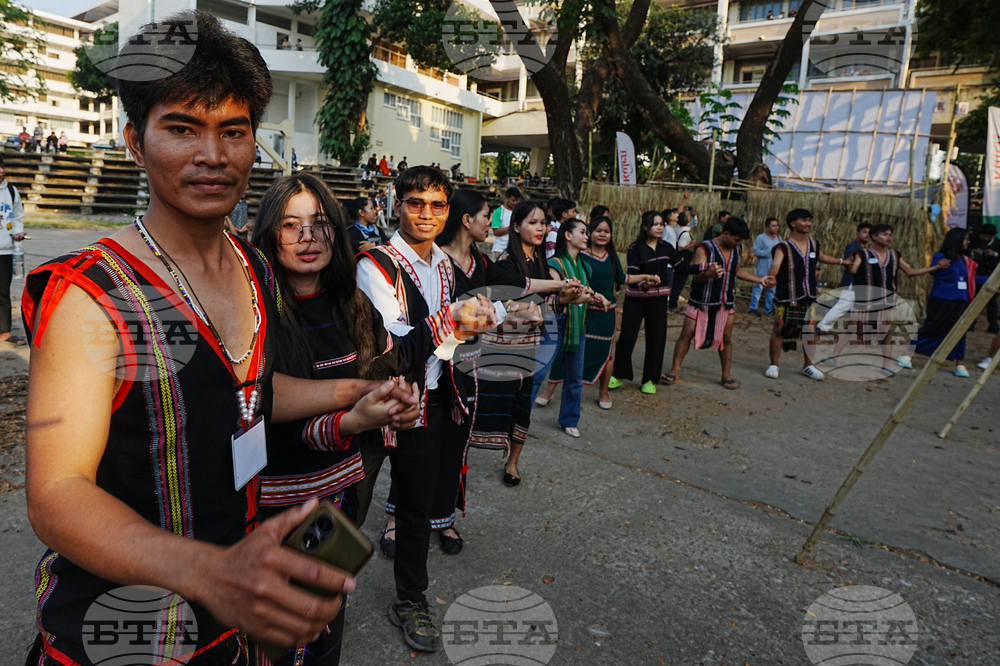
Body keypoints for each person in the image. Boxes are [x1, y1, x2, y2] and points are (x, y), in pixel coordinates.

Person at [21, 12, 424, 665]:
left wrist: (357, 391)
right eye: (182, 129)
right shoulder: (91, 294)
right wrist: (212, 573)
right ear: (134, 139)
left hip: (232, 625)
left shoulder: (253, 266)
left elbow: (250, 389)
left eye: (232, 132)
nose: (212, 155)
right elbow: (57, 494)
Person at [253, 173, 487, 663]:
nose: (308, 237)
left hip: (336, 481)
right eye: (290, 225)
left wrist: (390, 394)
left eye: (319, 224)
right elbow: (257, 406)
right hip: (275, 500)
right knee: (274, 629)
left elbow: (388, 361)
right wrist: (356, 408)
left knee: (322, 620)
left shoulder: (348, 302)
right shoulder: (253, 310)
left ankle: (408, 597)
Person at [355, 166, 496, 652]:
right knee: (348, 506)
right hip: (376, 408)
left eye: (437, 205)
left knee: (415, 509)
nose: (426, 214)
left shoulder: (443, 265)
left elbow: (437, 346)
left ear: (448, 210)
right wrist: (457, 319)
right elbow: (394, 349)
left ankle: (410, 598)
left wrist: (466, 326)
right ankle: (316, 598)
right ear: (397, 204)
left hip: (430, 401)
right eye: (415, 202)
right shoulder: (374, 264)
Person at [493, 202, 583, 480]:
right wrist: (556, 292)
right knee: (510, 399)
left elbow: (552, 306)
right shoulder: (506, 262)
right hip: (513, 343)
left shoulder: (542, 261)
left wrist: (572, 295)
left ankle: (513, 462)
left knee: (525, 401)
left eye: (543, 222)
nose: (540, 228)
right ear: (516, 226)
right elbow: (508, 305)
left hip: (542, 336)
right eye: (533, 222)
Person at [537, 215, 657, 411]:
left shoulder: (611, 256)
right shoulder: (579, 257)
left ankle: (603, 391)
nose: (602, 234)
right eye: (597, 230)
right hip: (580, 311)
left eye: (607, 231)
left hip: (605, 313)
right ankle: (549, 390)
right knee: (565, 350)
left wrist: (645, 278)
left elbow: (622, 277)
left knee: (605, 354)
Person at [663, 217, 775, 389]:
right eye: (736, 239)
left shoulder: (736, 248)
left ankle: (726, 375)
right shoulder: (705, 248)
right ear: (726, 233)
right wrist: (708, 274)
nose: (738, 243)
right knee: (687, 333)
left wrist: (759, 279)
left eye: (740, 241)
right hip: (701, 300)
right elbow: (698, 275)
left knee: (726, 337)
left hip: (725, 301)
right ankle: (674, 370)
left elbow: (736, 271)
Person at [610, 210, 711, 395]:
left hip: (658, 300)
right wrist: (644, 283)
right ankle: (618, 374)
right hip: (636, 300)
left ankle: (649, 379)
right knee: (627, 337)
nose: (659, 227)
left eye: (661, 224)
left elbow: (683, 267)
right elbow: (632, 273)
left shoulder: (667, 248)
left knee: (656, 340)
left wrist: (706, 267)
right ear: (645, 227)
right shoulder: (635, 248)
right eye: (655, 224)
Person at [843, 224, 948, 375]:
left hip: (885, 299)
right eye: (885, 234)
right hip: (864, 297)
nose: (889, 237)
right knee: (852, 325)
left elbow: (910, 272)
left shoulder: (894, 255)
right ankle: (836, 357)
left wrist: (935, 268)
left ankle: (886, 364)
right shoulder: (862, 253)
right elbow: (853, 270)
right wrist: (847, 265)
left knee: (885, 330)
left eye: (890, 235)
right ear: (874, 237)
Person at [539, 219, 610, 437]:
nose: (587, 236)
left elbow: (585, 290)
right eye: (583, 232)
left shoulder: (585, 265)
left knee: (574, 378)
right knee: (537, 374)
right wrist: (588, 296)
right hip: (556, 322)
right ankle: (517, 419)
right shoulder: (555, 264)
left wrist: (596, 298)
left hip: (578, 323)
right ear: (568, 236)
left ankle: (569, 419)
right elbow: (558, 296)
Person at [765, 208, 851, 380]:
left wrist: (842, 262)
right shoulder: (783, 246)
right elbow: (775, 264)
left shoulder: (813, 243)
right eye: (804, 220)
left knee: (809, 331)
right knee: (779, 329)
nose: (808, 223)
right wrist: (772, 276)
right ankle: (774, 365)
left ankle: (808, 365)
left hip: (809, 296)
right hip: (786, 296)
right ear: (793, 223)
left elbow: (822, 257)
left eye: (810, 220)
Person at [898, 228, 984, 377]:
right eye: (965, 239)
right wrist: (939, 265)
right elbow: (933, 272)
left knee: (959, 331)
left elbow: (972, 279)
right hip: (942, 298)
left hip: (961, 300)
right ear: (957, 240)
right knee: (932, 327)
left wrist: (990, 281)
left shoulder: (966, 261)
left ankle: (960, 363)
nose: (968, 242)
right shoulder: (941, 256)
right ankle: (907, 353)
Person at [815, 221, 872, 331]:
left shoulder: (863, 247)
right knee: (842, 306)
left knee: (849, 306)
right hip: (851, 280)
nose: (867, 235)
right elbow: (849, 262)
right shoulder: (854, 246)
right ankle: (822, 327)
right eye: (864, 232)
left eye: (869, 233)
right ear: (857, 233)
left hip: (857, 281)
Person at [0, 155, 25, 345]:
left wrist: (17, 231)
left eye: (2, 166)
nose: (1, 171)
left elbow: (17, 216)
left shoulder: (11, 190)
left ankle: (5, 331)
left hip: (5, 251)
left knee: (3, 292)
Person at [749, 217, 781, 317]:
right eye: (773, 226)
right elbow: (756, 251)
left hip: (774, 268)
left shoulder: (779, 238)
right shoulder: (761, 238)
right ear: (767, 227)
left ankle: (768, 309)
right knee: (759, 287)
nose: (776, 228)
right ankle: (753, 308)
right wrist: (770, 252)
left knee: (772, 288)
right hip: (763, 267)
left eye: (777, 225)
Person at [970, 223, 999, 333]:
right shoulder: (974, 241)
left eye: (988, 236)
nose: (986, 238)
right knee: (974, 301)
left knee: (992, 303)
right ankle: (971, 324)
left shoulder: (997, 243)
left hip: (992, 275)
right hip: (977, 274)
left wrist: (994, 254)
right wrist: (976, 254)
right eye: (984, 236)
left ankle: (993, 326)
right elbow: (968, 255)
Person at [669, 210, 698, 312]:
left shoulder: (677, 228)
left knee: (677, 282)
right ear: (688, 220)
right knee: (679, 282)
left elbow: (693, 223)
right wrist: (691, 245)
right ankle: (672, 305)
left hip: (678, 257)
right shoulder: (685, 234)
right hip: (683, 258)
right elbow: (680, 248)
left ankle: (672, 303)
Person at [490, 186, 521, 259]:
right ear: (506, 198)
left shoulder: (519, 212)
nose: (515, 203)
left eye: (517, 200)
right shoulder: (498, 212)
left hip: (515, 250)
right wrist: (512, 227)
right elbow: (496, 232)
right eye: (513, 200)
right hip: (499, 250)